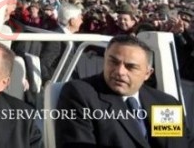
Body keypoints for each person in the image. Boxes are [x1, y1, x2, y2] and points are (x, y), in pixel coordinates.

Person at [56, 35, 193, 147]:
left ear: (147, 73)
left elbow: (178, 144)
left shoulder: (164, 103)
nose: (120, 71)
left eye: (130, 67)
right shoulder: (81, 94)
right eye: (113, 62)